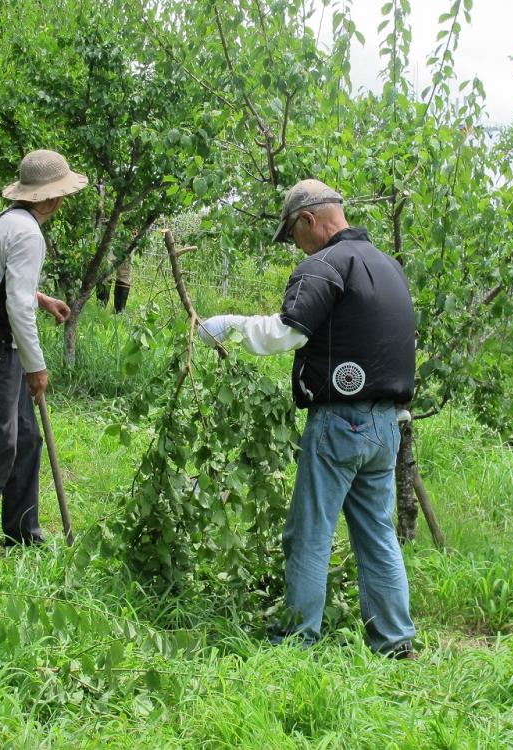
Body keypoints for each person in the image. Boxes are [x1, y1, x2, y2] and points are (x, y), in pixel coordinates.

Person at [199, 179, 418, 659]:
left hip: (341, 422)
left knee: (309, 532)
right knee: (378, 534)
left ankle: (296, 641)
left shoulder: (324, 266)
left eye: (292, 235)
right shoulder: (388, 267)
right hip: (387, 426)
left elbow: (287, 334)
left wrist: (228, 327)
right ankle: (396, 641)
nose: (294, 245)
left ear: (309, 221)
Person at [0, 149, 88, 566]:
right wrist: (37, 365)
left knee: (27, 438)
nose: (62, 202)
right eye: (60, 194)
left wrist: (41, 298)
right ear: (48, 198)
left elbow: (8, 287)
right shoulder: (27, 233)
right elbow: (16, 308)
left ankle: (22, 530)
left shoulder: (9, 222)